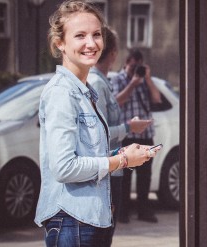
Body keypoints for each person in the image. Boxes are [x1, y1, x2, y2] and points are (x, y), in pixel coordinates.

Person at [34, 1, 160, 246]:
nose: (91, 43)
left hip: (89, 219)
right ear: (60, 43)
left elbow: (86, 154)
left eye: (96, 35)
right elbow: (64, 168)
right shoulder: (62, 92)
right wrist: (121, 161)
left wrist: (123, 153)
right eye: (80, 35)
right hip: (72, 220)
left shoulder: (85, 91)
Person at [87, 27, 152, 246]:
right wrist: (129, 127)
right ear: (113, 53)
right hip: (106, 172)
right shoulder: (97, 83)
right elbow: (100, 134)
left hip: (111, 170)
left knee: (106, 235)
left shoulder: (101, 82)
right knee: (103, 237)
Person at [112, 49, 162, 223]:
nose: (135, 70)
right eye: (133, 65)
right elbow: (117, 101)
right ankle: (123, 212)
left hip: (146, 135)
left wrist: (147, 79)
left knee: (144, 176)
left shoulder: (145, 81)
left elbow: (157, 99)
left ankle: (144, 211)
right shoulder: (118, 79)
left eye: (138, 66)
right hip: (128, 134)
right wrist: (132, 83)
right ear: (126, 62)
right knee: (125, 176)